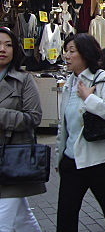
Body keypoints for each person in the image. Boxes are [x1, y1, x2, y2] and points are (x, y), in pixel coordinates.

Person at [56, 33, 105, 232]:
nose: (67, 55)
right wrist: (59, 158)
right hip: (72, 161)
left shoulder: (102, 78)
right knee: (66, 214)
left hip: (102, 162)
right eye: (66, 51)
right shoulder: (70, 83)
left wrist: (90, 99)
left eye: (72, 51)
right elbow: (64, 127)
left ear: (86, 53)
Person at [0, 27, 44, 232]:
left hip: (12, 158)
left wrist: (2, 115)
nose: (3, 49)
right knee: (22, 219)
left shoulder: (24, 80)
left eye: (8, 45)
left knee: (4, 221)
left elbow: (33, 118)